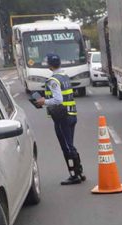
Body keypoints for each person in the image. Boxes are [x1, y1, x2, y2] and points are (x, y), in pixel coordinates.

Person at [36, 53, 86, 185]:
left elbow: (58, 99)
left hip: (62, 117)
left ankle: (74, 175)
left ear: (49, 65)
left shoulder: (53, 81)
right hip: (71, 115)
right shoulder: (64, 77)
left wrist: (44, 101)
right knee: (70, 144)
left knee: (67, 147)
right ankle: (79, 172)